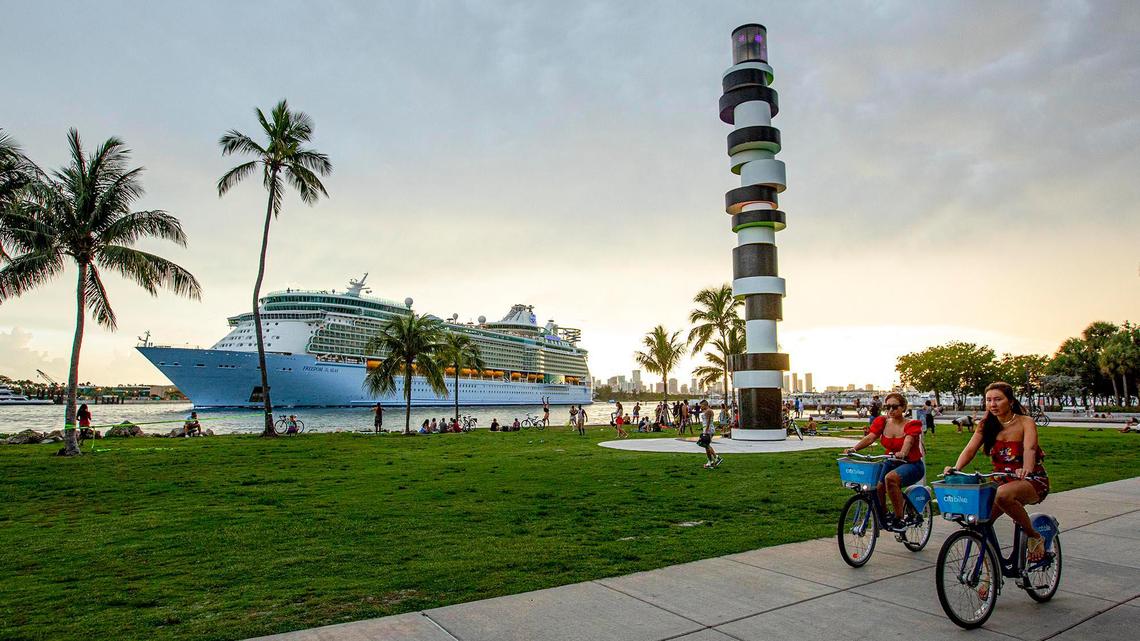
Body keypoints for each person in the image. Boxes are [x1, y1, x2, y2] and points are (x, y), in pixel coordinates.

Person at [944, 382, 1050, 562]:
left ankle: (1034, 536)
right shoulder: (986, 425)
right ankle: (988, 574)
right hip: (1001, 479)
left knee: (1002, 495)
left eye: (998, 399)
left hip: (1030, 479)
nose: (992, 404)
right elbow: (970, 449)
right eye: (988, 400)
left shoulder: (1026, 422)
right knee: (979, 523)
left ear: (1010, 401)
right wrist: (956, 468)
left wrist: (1027, 469)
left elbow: (1030, 448)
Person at [843, 392, 924, 532]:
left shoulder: (912, 424)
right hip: (891, 461)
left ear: (904, 407)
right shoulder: (883, 421)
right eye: (888, 407)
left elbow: (909, 440)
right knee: (877, 486)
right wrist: (854, 449)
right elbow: (870, 437)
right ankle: (885, 515)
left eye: (894, 407)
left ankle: (900, 519)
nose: (891, 410)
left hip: (912, 464)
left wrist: (903, 453)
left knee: (890, 479)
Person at [699, 400, 722, 468]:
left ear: (705, 405)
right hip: (706, 429)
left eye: (701, 405)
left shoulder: (709, 411)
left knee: (706, 445)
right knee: (706, 445)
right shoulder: (706, 411)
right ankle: (711, 461)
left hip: (708, 430)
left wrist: (706, 431)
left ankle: (715, 459)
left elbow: (708, 421)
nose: (700, 407)